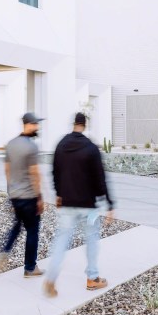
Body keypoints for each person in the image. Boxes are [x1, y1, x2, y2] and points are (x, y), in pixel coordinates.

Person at [44, 112, 115, 298]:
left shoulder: (61, 145)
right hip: (88, 206)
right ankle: (92, 278)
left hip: (67, 203)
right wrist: (109, 203)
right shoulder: (91, 147)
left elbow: (54, 172)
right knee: (91, 238)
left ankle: (51, 277)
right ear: (84, 125)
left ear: (73, 124)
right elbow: (101, 178)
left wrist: (58, 194)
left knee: (61, 239)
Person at [0, 112, 45, 277]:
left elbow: (7, 170)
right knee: (32, 230)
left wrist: (11, 191)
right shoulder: (31, 146)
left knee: (17, 225)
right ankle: (30, 268)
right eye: (36, 124)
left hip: (14, 195)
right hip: (29, 196)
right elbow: (35, 173)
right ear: (28, 125)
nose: (38, 127)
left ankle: (5, 249)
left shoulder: (11, 144)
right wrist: (40, 197)